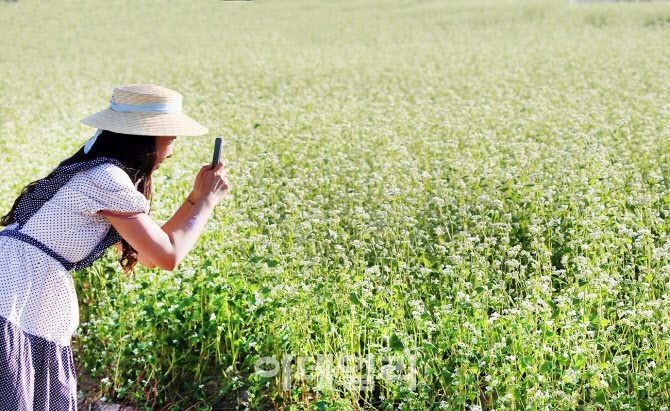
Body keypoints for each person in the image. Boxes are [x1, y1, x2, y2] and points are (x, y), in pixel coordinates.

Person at [0, 84, 230, 410]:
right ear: (145, 135)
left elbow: (151, 256)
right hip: (18, 285)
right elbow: (166, 257)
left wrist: (195, 198)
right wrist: (206, 203)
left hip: (20, 278)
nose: (174, 145)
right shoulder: (108, 178)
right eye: (171, 134)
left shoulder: (100, 170)